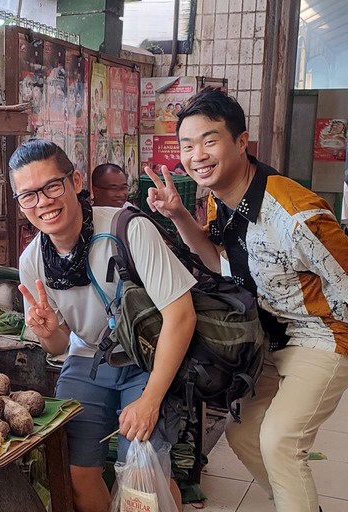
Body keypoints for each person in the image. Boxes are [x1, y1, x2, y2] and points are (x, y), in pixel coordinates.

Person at [145, 87, 348, 512]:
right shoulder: (224, 199)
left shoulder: (298, 215)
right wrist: (178, 213)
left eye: (209, 140)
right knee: (244, 435)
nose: (196, 154)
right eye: (186, 144)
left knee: (280, 441)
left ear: (240, 142)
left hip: (321, 336)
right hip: (268, 337)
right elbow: (220, 263)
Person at [12, 139, 196, 512]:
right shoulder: (33, 261)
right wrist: (49, 333)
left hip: (146, 359)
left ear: (75, 181)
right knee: (76, 475)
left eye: (51, 186)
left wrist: (151, 399)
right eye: (28, 195)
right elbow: (60, 346)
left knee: (145, 475)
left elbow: (181, 315)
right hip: (87, 359)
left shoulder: (128, 229)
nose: (43, 202)